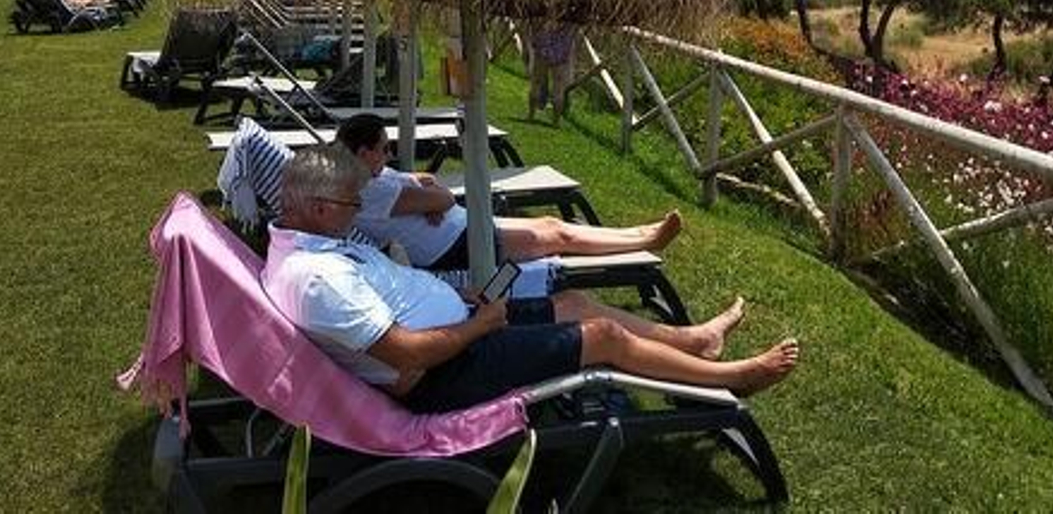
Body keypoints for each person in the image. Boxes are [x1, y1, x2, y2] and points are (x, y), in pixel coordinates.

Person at [262, 145, 799, 411]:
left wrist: (453, 296)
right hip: (447, 371)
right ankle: (731, 378)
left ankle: (695, 340)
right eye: (349, 204)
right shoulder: (314, 277)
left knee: (576, 303)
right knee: (601, 337)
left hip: (459, 324)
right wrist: (482, 323)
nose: (358, 211)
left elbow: (387, 313)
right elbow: (405, 358)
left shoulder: (313, 249)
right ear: (314, 206)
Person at [335, 113, 680, 270]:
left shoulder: (369, 176)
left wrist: (424, 192)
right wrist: (430, 197)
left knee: (548, 222)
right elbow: (439, 195)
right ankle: (645, 241)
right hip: (454, 247)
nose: (390, 154)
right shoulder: (368, 191)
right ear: (364, 154)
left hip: (458, 229)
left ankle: (637, 233)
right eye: (384, 148)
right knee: (556, 234)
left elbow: (423, 180)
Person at [527, 21, 577, 123]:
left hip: (543, 44)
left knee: (536, 82)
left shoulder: (543, 11)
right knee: (558, 88)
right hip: (561, 49)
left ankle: (531, 116)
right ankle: (555, 122)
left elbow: (535, 23)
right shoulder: (573, 12)